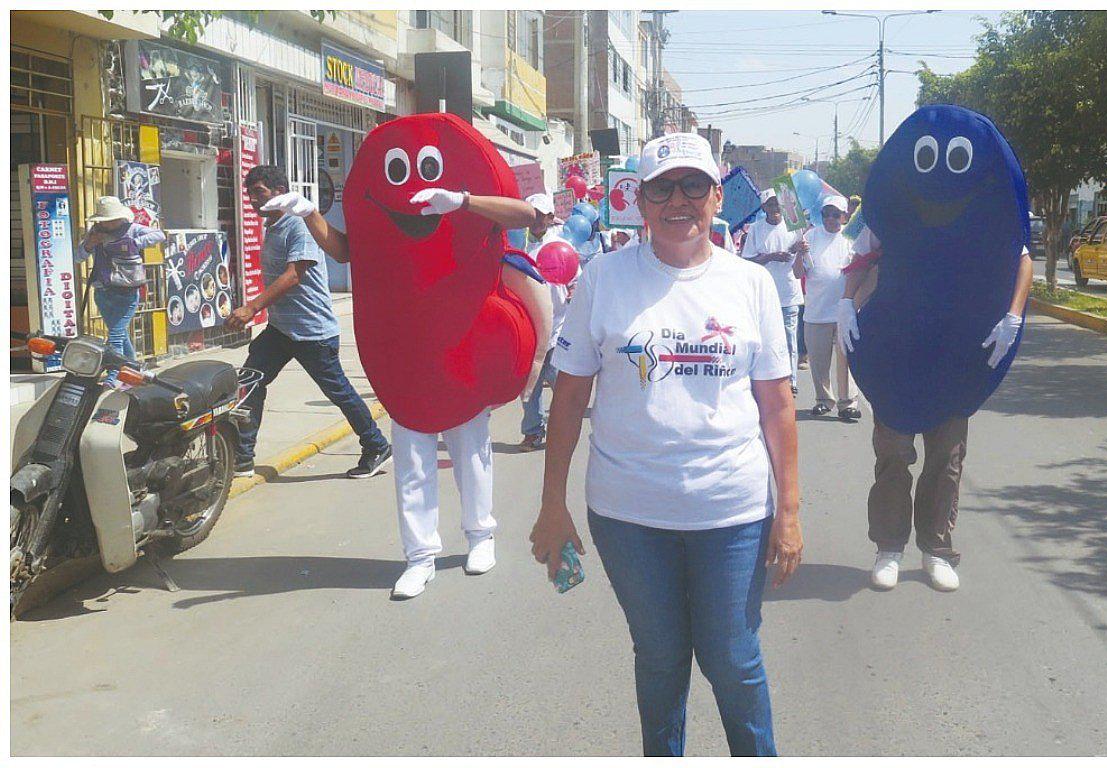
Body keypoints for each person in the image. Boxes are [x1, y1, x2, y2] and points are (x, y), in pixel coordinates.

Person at [529, 132, 801, 757]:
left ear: (715, 196)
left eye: (693, 186)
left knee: (733, 658)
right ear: (640, 201)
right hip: (629, 517)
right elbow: (568, 400)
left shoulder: (751, 285)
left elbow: (777, 405)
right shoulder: (603, 278)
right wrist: (552, 504)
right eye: (661, 188)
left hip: (731, 512)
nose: (678, 201)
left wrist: (788, 511)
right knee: (659, 658)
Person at [259, 163, 550, 598]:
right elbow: (343, 251)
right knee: (412, 463)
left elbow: (526, 216)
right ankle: (419, 556)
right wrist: (309, 213)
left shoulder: (465, 209)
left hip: (460, 352)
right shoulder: (387, 222)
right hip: (406, 358)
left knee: (470, 453)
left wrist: (463, 201)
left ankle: (480, 535)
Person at [838, 231, 1032, 593]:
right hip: (895, 349)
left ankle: (936, 549)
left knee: (946, 456)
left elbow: (1021, 257)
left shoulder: (976, 208)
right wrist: (847, 301)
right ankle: (889, 548)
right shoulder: (894, 207)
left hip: (953, 354)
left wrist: (1014, 315)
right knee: (893, 453)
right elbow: (862, 256)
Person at [227, 166, 392, 480]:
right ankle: (243, 458)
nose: (253, 201)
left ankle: (376, 444)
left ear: (280, 191)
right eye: (249, 195)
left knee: (340, 393)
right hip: (281, 329)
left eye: (259, 193)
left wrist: (252, 307)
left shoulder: (298, 225)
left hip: (312, 331)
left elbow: (293, 275)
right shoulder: (273, 225)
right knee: (249, 383)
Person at [794, 195, 861, 421]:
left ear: (844, 216)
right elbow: (798, 273)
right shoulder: (809, 237)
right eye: (826, 214)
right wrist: (799, 254)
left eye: (835, 214)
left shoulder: (851, 238)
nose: (830, 218)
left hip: (844, 311)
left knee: (847, 362)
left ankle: (848, 402)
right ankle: (823, 400)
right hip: (816, 310)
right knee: (819, 361)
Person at [76, 196, 164, 367]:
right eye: (106, 220)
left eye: (112, 220)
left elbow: (159, 234)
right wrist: (89, 245)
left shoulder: (132, 229)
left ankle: (114, 374)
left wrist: (135, 243)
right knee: (120, 333)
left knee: (115, 335)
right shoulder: (95, 232)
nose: (109, 224)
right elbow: (79, 257)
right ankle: (132, 368)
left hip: (126, 291)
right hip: (102, 291)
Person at [740, 189, 808, 395]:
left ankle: (791, 382)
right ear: (764, 208)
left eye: (777, 204)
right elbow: (747, 259)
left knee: (789, 340)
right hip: (763, 295)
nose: (775, 208)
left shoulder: (794, 227)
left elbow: (803, 260)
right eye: (770, 205)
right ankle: (766, 381)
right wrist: (770, 256)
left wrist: (799, 249)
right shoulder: (755, 229)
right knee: (763, 341)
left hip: (789, 293)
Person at [518, 232, 574, 452]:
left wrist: (573, 289)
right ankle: (533, 431)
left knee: (561, 383)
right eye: (534, 215)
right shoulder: (522, 247)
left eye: (542, 215)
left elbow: (575, 275)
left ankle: (565, 428)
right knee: (529, 386)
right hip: (531, 328)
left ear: (550, 216)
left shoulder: (560, 244)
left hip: (558, 327)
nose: (537, 220)